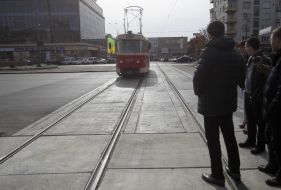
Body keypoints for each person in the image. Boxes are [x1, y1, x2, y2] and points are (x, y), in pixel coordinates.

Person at [193, 20, 245, 187]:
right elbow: (241, 78)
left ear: (210, 33)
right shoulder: (236, 52)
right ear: (224, 32)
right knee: (230, 137)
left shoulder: (209, 51)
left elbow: (199, 77)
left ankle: (217, 175)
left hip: (210, 105)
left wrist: (199, 92)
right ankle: (235, 171)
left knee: (213, 140)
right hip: (228, 103)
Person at [257, 26, 281, 187]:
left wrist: (272, 107)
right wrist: (267, 69)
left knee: (279, 142)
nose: (270, 42)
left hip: (277, 110)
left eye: (272, 38)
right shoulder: (277, 57)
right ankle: (272, 166)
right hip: (271, 108)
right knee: (270, 138)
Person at [238, 38, 271, 154]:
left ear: (251, 47)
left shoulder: (264, 59)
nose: (245, 48)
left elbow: (267, 78)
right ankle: (250, 140)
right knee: (251, 120)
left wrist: (259, 93)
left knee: (259, 122)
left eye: (246, 46)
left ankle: (260, 145)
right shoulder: (250, 58)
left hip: (257, 96)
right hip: (248, 94)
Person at [237, 40, 248, 131]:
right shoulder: (243, 57)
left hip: (246, 85)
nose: (240, 49)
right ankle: (245, 121)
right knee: (245, 105)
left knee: (247, 105)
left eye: (241, 47)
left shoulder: (248, 57)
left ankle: (247, 123)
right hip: (243, 84)